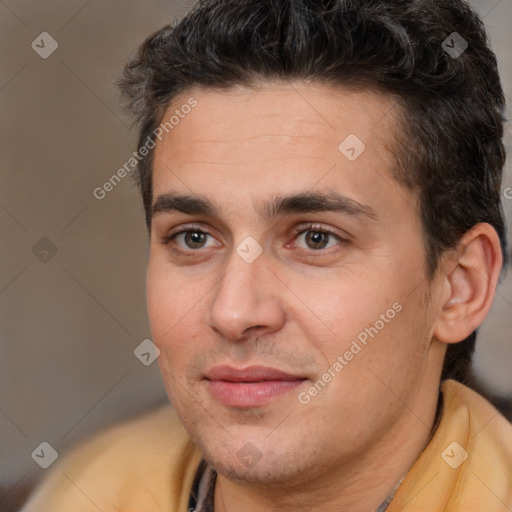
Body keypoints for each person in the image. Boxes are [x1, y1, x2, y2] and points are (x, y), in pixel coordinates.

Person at [21, 0, 512, 510]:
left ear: (460, 286)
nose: (233, 312)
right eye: (194, 238)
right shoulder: (84, 493)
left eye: (316, 238)